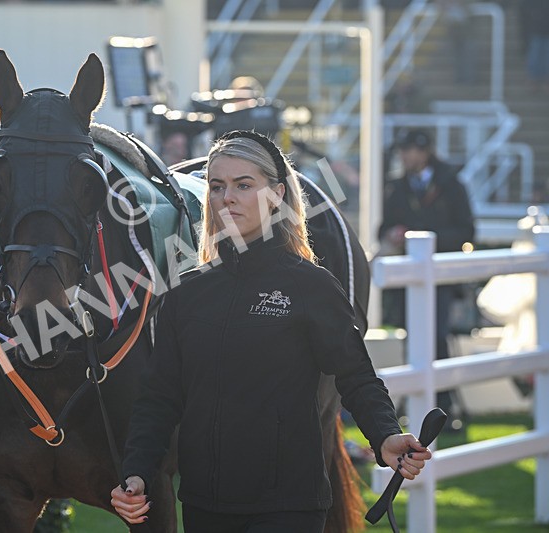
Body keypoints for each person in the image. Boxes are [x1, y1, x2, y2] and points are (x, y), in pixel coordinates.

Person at [111, 131, 432, 531]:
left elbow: (355, 376)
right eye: (217, 186)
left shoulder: (311, 286)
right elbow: (159, 397)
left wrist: (385, 436)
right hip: (203, 507)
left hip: (288, 507)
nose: (227, 197)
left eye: (244, 185)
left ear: (277, 194)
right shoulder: (186, 293)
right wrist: (137, 470)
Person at [378, 129, 474, 427]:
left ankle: (442, 409)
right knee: (413, 340)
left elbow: (466, 232)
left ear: (426, 152)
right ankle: (416, 406)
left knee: (437, 340)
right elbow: (382, 229)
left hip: (440, 278)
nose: (407, 157)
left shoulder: (450, 185)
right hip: (409, 279)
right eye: (404, 151)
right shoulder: (396, 187)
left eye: (412, 151)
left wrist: (423, 239)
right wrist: (392, 234)